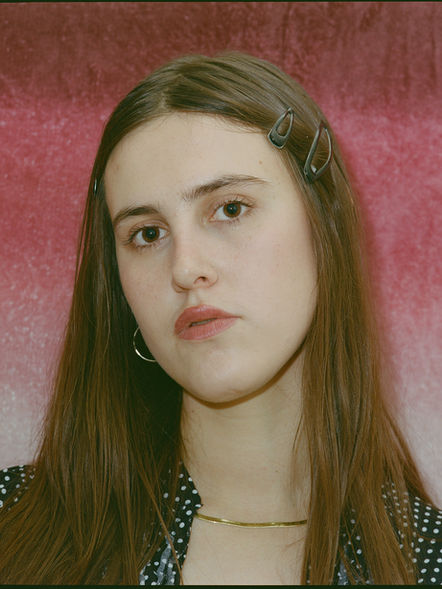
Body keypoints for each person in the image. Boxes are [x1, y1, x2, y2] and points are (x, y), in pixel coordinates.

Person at [0, 51, 440, 585]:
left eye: (231, 208)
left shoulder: (426, 559)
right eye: (147, 234)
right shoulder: (11, 527)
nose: (186, 268)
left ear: (324, 226)